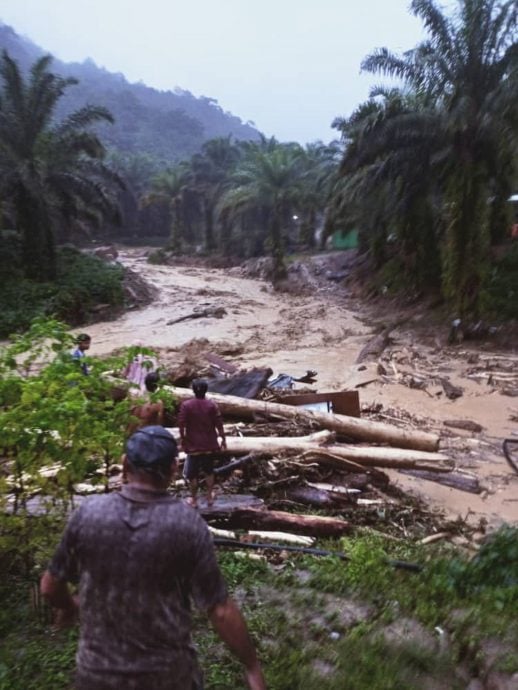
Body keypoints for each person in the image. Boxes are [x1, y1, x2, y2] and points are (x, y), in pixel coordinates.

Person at [40, 425, 266, 690]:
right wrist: (252, 666)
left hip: (97, 677)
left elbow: (50, 586)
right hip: (169, 677)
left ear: (124, 464)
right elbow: (220, 610)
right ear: (173, 468)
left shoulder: (89, 513)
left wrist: (68, 605)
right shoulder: (187, 525)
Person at [178, 379, 227, 508]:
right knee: (209, 471)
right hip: (209, 444)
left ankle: (194, 499)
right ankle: (209, 496)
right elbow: (219, 424)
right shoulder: (212, 405)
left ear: (193, 390)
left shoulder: (186, 405)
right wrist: (223, 439)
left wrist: (183, 439)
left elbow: (181, 424)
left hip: (193, 445)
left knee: (192, 474)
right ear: (206, 390)